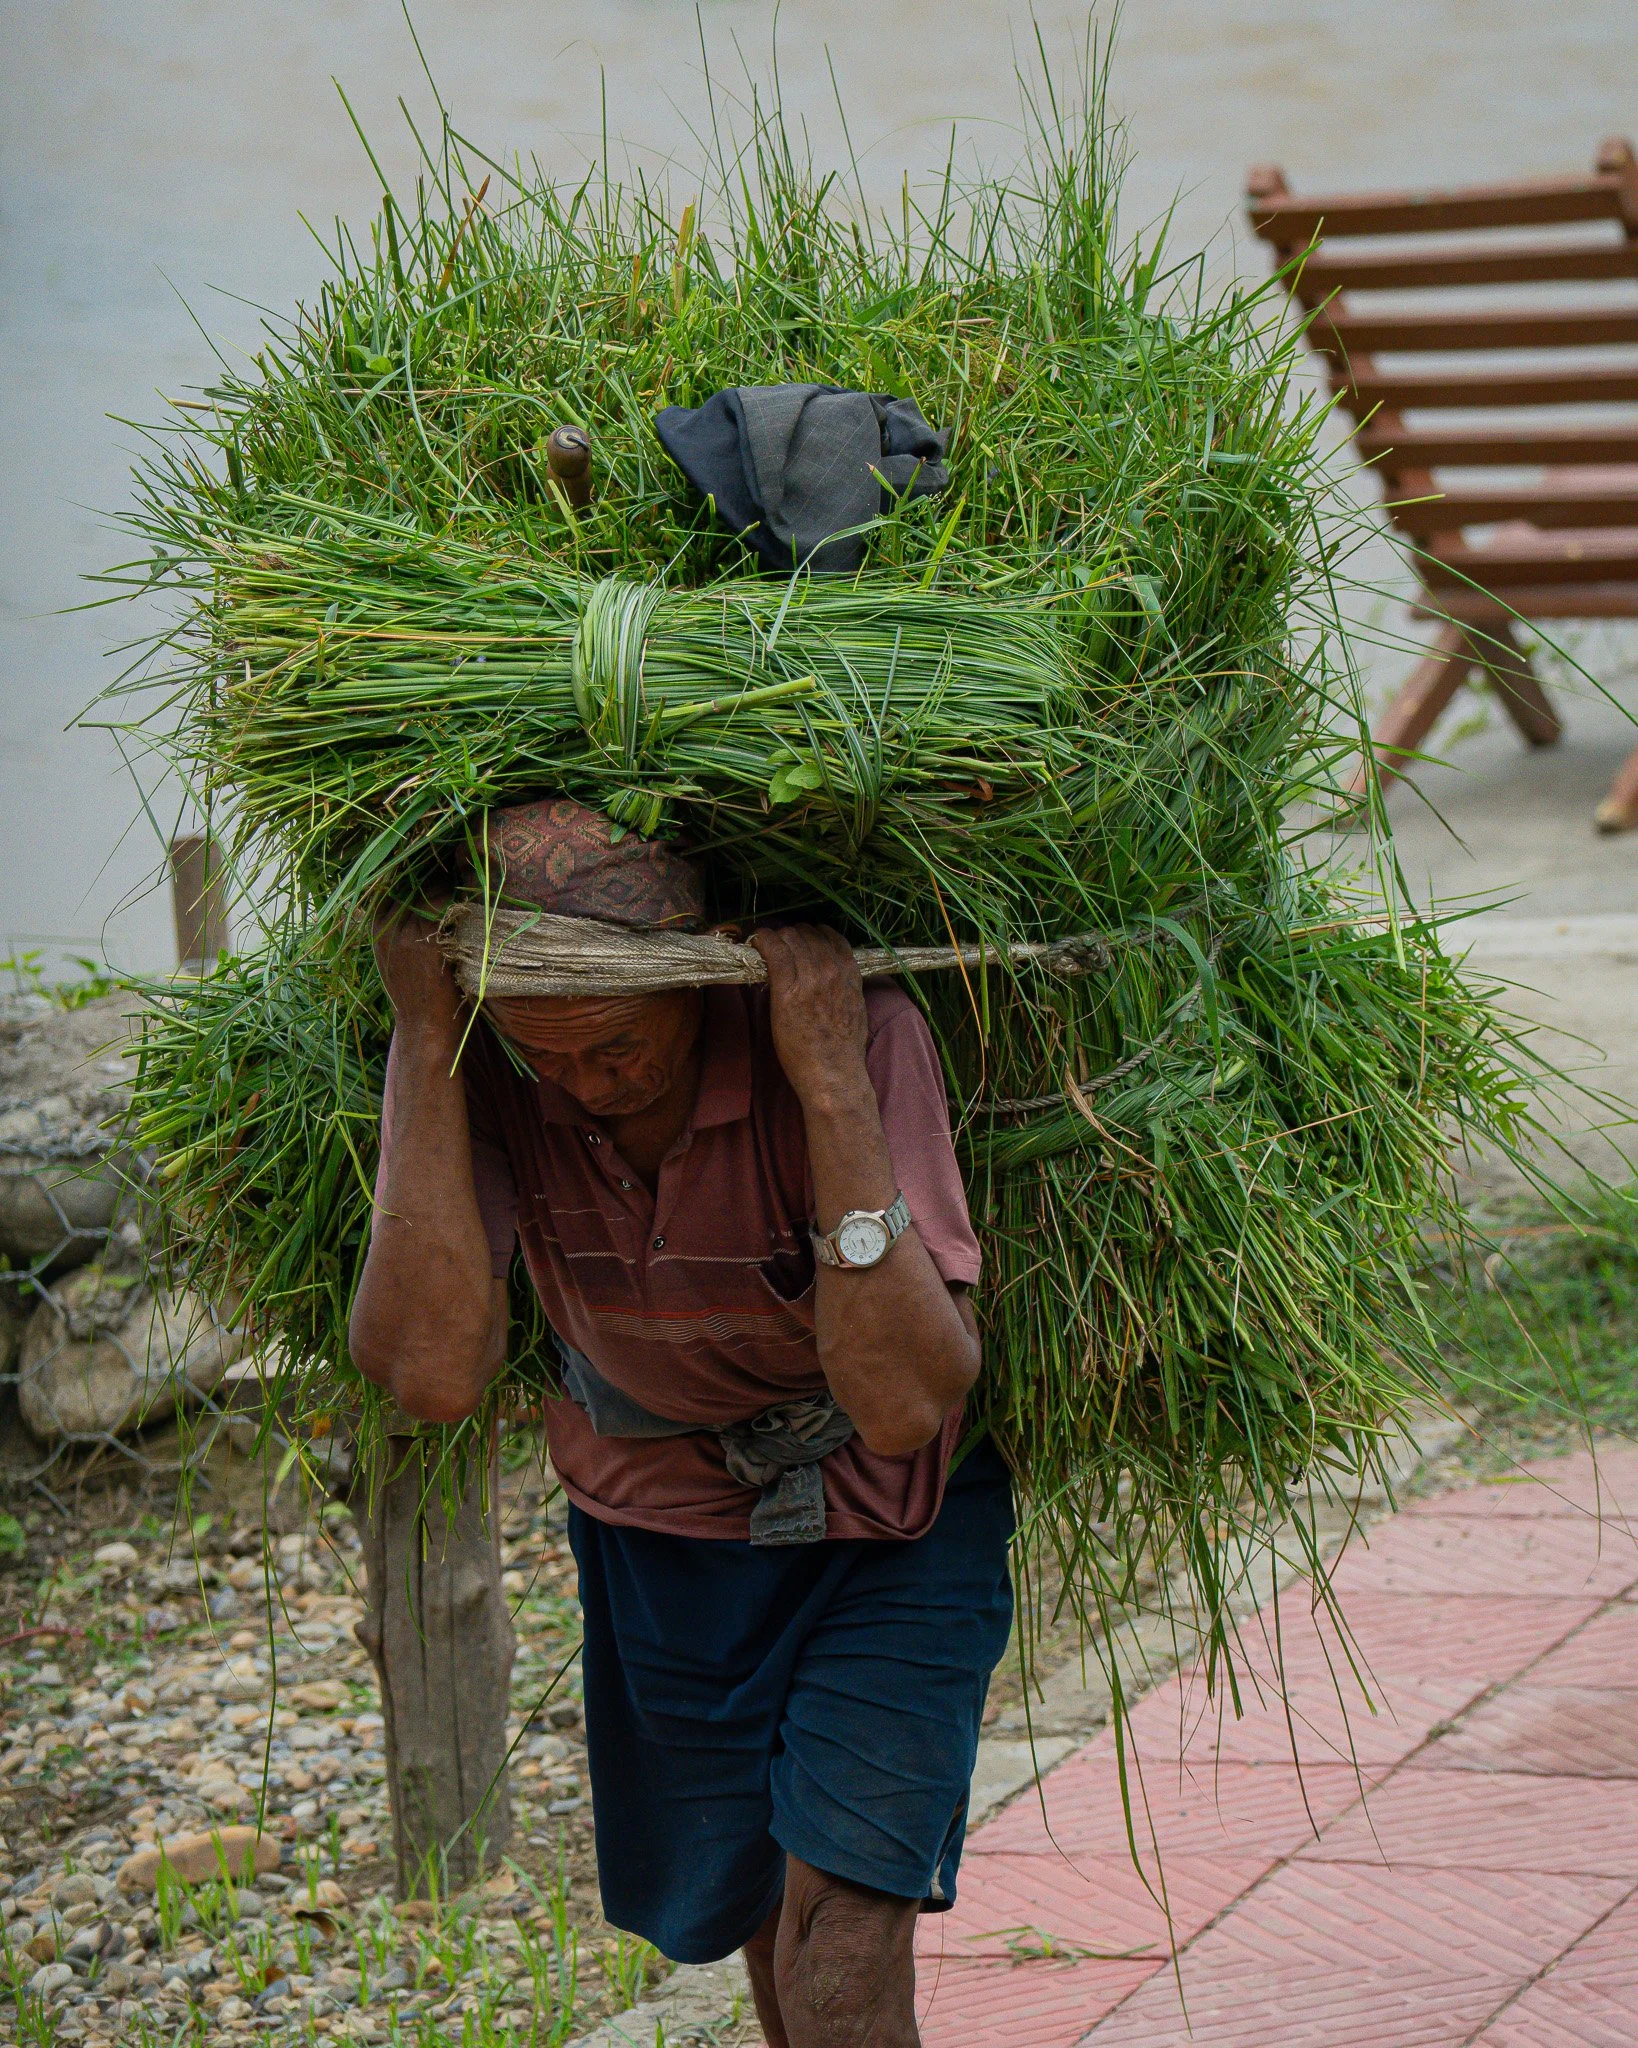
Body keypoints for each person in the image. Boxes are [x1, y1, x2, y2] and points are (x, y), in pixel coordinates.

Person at [349, 796, 1014, 2048]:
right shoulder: (492, 1061)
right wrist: (423, 1036)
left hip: (892, 1523)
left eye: (619, 1044)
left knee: (844, 1955)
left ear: (699, 975)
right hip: (660, 1526)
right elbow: (433, 1373)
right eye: (553, 1052)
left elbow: (907, 1400)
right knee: (763, 1913)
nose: (588, 1086)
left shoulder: (856, 1034)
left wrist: (825, 1090)